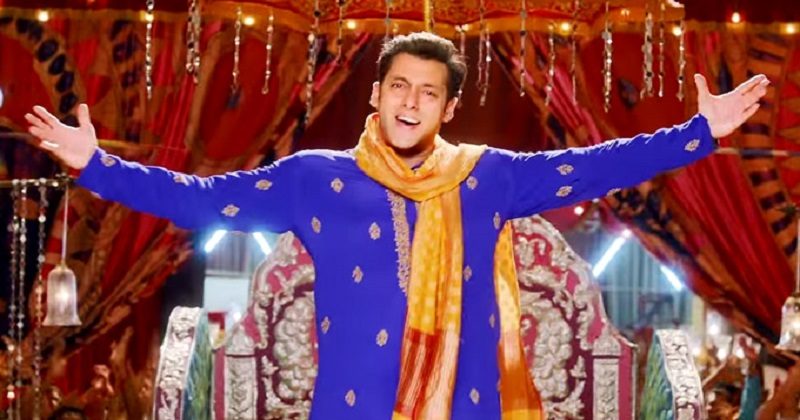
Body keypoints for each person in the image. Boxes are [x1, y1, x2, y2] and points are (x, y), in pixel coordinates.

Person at [23, 32, 768, 420]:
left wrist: (697, 133)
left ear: (449, 108)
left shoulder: (486, 176)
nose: (411, 103)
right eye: (400, 87)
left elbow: (591, 166)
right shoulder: (315, 178)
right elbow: (204, 200)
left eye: (430, 93)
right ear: (376, 95)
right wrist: (97, 166)